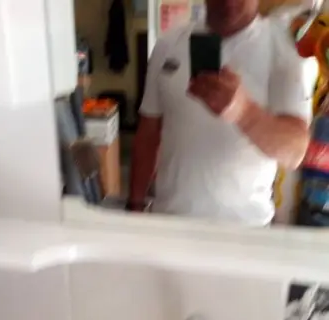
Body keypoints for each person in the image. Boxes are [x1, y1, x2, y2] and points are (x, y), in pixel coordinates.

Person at [128, 0, 311, 225]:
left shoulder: (283, 51)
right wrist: (134, 204)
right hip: (169, 221)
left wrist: (244, 112)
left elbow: (295, 151)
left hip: (244, 229)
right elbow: (148, 133)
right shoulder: (168, 45)